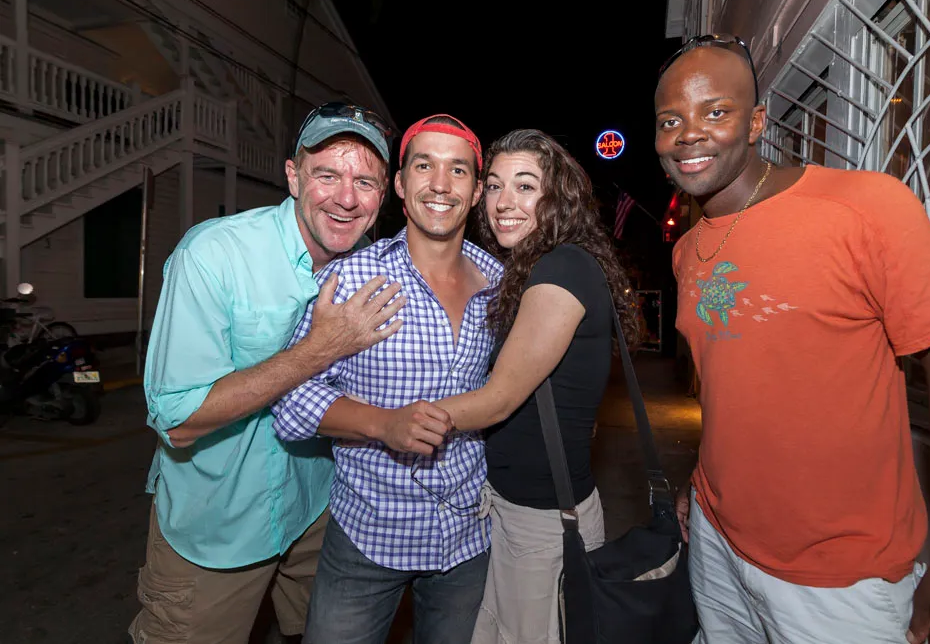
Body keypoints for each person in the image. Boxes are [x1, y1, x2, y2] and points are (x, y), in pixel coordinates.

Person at [655, 34, 930, 644]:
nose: (689, 134)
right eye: (670, 120)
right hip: (716, 539)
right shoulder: (687, 251)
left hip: (840, 579)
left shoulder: (863, 207)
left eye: (715, 111)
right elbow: (735, 384)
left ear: (756, 122)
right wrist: (701, 479)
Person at [130, 103, 406, 644]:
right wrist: (319, 349)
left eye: (364, 182)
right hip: (217, 526)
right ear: (293, 176)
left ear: (383, 194)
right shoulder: (214, 255)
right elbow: (177, 420)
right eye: (327, 175)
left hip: (318, 509)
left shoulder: (373, 266)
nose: (346, 198)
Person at [272, 114, 502, 644]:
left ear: (475, 192)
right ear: (399, 184)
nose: (440, 184)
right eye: (424, 166)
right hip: (368, 535)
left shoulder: (500, 284)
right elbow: (291, 399)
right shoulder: (352, 277)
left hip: (467, 538)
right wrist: (381, 424)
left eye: (458, 170)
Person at [433, 128, 639, 644]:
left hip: (542, 522)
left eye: (525, 186)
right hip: (522, 510)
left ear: (558, 198)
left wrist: (392, 420)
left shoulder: (561, 268)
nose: (504, 202)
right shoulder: (538, 266)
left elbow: (499, 399)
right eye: (495, 186)